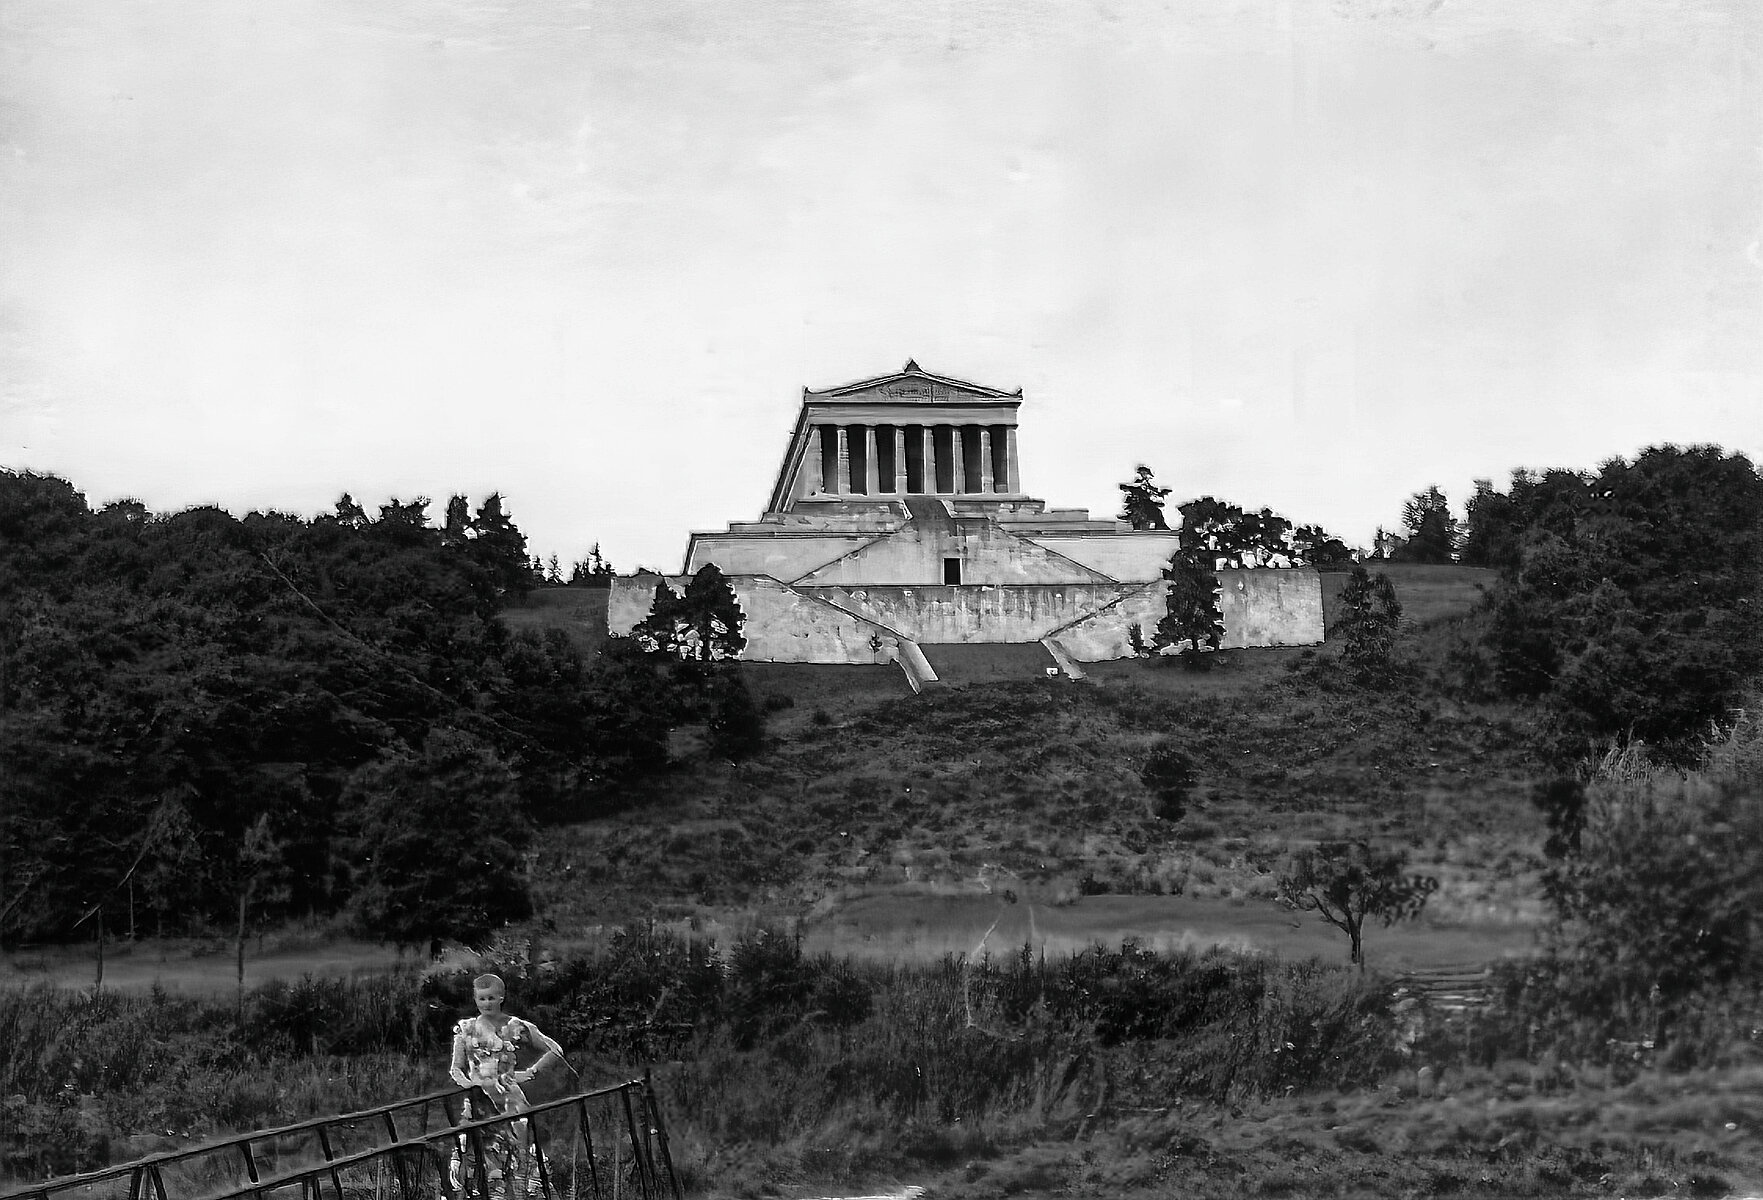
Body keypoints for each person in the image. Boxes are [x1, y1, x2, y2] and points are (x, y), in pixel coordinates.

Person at [447, 973, 567, 1200]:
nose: (486, 1003)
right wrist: (470, 1086)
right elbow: (456, 1069)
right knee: (475, 1162)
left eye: (491, 998)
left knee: (520, 1163)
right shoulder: (466, 1029)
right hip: (478, 1105)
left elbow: (555, 1050)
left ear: (501, 997)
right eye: (482, 998)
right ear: (475, 999)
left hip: (511, 1103)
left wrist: (530, 1072)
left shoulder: (515, 1026)